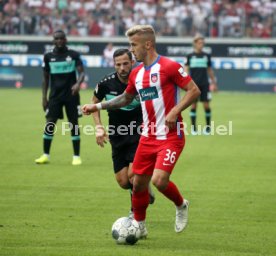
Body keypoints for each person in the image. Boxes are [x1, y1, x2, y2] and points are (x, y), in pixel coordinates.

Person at [82, 25, 200, 237]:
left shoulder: (169, 66)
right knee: (137, 184)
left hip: (170, 136)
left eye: (134, 45)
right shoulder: (136, 73)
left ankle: (181, 205)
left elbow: (194, 91)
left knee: (158, 181)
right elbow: (125, 99)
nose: (131, 49)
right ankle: (140, 225)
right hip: (147, 137)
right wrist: (97, 106)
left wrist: (175, 110)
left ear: (148, 44)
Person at [92, 48, 155, 217]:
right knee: (123, 181)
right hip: (117, 134)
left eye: (125, 64)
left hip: (140, 133)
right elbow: (94, 104)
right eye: (118, 64)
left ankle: (135, 215)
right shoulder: (106, 83)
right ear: (114, 64)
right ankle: (143, 189)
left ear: (132, 63)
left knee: (134, 177)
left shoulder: (142, 79)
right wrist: (99, 127)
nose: (122, 68)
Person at [35, 30, 85, 165]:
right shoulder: (48, 56)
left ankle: (76, 156)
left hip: (72, 95)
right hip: (55, 96)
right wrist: (44, 98)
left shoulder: (73, 55)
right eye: (57, 39)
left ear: (66, 40)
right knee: (50, 123)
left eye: (62, 38)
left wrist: (78, 84)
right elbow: (45, 79)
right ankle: (45, 155)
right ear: (53, 40)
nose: (59, 41)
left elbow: (82, 73)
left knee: (73, 123)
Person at [185, 33, 218, 135]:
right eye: (199, 43)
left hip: (205, 84)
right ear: (195, 44)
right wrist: (185, 83)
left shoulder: (206, 56)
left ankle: (207, 129)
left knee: (206, 106)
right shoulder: (190, 56)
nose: (201, 45)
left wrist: (214, 82)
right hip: (193, 85)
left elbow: (209, 70)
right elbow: (186, 70)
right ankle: (194, 129)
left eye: (202, 43)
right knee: (193, 106)